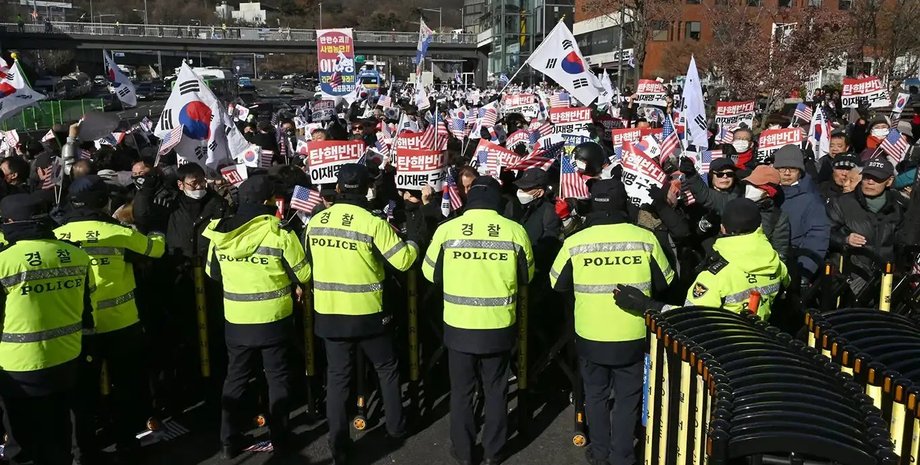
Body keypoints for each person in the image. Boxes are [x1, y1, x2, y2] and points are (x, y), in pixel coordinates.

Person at [549, 178, 673, 465]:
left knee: (595, 396)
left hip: (591, 336)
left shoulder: (575, 241)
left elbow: (557, 283)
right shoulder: (644, 238)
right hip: (632, 334)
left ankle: (600, 452)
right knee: (629, 399)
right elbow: (666, 282)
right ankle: (622, 455)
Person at [304, 163, 419, 465]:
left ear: (338, 189)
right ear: (368, 189)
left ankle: (338, 444)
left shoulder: (316, 222)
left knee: (338, 379)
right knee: (386, 369)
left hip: (329, 314)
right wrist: (415, 242)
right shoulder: (372, 222)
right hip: (368, 314)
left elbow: (307, 264)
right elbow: (404, 261)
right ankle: (395, 429)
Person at [422, 176, 534, 465]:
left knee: (461, 392)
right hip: (498, 326)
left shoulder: (447, 230)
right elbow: (527, 276)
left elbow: (429, 273)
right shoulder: (514, 231)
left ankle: (463, 452)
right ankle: (495, 452)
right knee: (496, 390)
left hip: (459, 326)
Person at [55, 175, 166, 463]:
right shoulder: (117, 232)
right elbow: (156, 249)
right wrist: (155, 230)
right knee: (127, 387)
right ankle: (127, 443)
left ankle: (85, 451)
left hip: (77, 328)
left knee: (82, 395)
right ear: (104, 202)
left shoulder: (57, 235)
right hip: (121, 324)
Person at [201, 175, 312, 458]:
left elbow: (212, 274)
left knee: (236, 378)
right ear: (268, 201)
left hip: (237, 320)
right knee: (277, 379)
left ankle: (228, 440)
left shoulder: (219, 232)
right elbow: (304, 273)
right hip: (274, 319)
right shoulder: (279, 233)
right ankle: (281, 438)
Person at [0, 194, 93, 465]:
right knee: (59, 429)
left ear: (8, 222)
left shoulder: (5, 261)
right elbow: (86, 309)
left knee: (23, 439)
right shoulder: (76, 254)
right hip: (66, 357)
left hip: (19, 366)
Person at [617, 198, 789, 321]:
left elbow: (690, 320)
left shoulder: (715, 276)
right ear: (759, 227)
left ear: (722, 227)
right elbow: (786, 283)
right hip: (761, 346)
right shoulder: (775, 262)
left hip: (724, 354)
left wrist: (646, 305)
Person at [826, 157, 907, 301]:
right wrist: (844, 239)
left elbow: (902, 246)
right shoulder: (841, 203)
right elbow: (824, 232)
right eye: (867, 177)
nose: (870, 182)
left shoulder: (898, 209)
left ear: (889, 181)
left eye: (877, 178)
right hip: (848, 281)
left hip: (884, 282)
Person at [772, 146, 829, 284]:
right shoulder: (766, 192)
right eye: (782, 168)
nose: (786, 173)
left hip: (794, 266)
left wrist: (804, 272)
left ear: (800, 172)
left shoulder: (811, 199)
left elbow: (817, 236)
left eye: (792, 169)